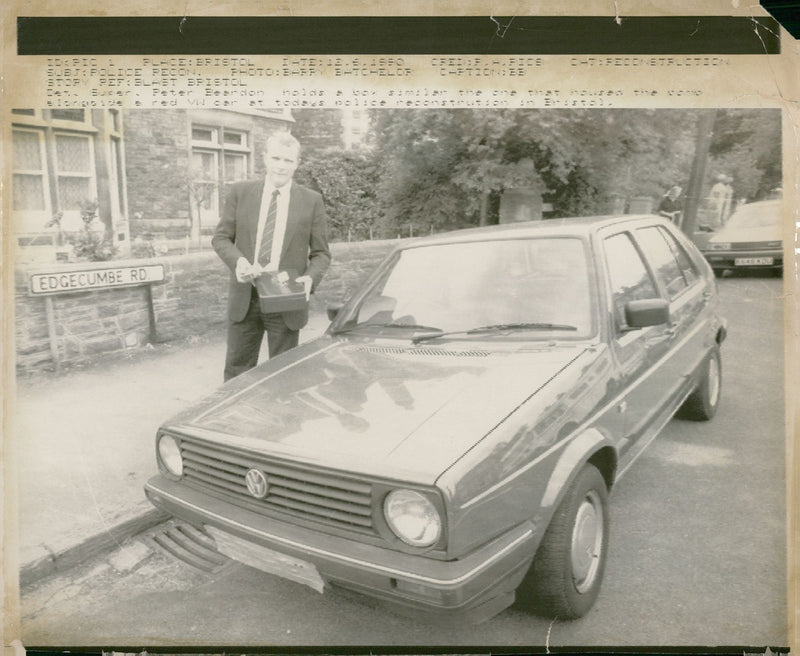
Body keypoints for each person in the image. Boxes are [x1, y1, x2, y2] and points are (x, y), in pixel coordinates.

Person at [212, 132, 330, 381]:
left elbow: (321, 254)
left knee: (284, 377)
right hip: (246, 299)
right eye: (276, 158)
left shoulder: (312, 201)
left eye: (288, 160)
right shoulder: (240, 193)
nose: (281, 166)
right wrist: (239, 263)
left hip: (285, 300)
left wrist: (310, 280)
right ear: (265, 159)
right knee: (237, 374)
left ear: (297, 163)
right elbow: (221, 238)